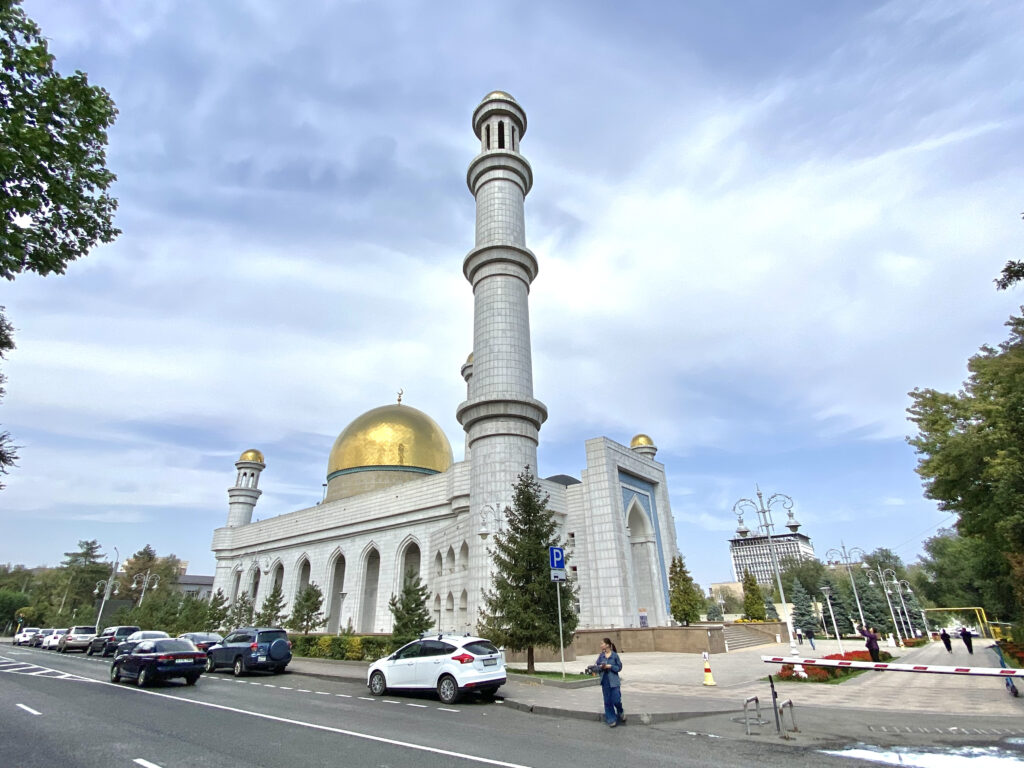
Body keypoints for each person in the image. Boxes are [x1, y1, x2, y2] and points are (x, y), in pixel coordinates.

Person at [595, 637, 624, 727]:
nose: (601, 645)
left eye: (602, 643)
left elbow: (619, 668)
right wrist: (601, 667)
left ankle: (620, 711)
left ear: (607, 645)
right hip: (605, 681)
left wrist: (610, 666)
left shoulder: (614, 655)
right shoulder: (601, 656)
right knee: (607, 701)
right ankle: (611, 719)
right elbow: (596, 667)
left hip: (614, 681)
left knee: (616, 700)